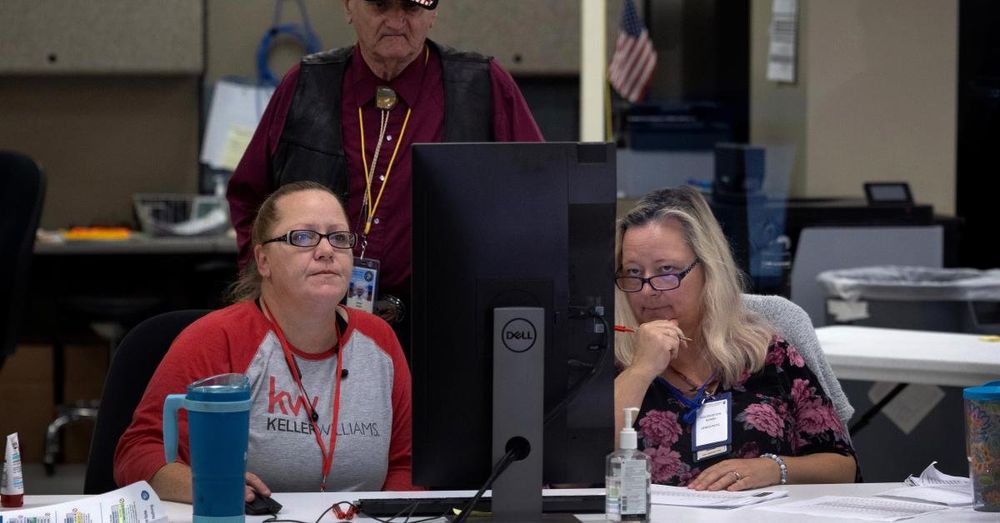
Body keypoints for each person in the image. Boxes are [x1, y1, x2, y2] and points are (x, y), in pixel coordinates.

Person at [227, 0, 544, 350]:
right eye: (380, 5)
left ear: (433, 13)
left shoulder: (482, 87)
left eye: (411, 7)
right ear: (349, 7)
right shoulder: (305, 85)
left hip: (449, 329)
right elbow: (251, 200)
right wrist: (267, 292)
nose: (396, 20)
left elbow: (538, 199)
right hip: (317, 323)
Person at [115, 181, 414, 501]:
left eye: (339, 238)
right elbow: (139, 452)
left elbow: (406, 465)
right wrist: (210, 485)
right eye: (303, 237)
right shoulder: (216, 339)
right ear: (263, 261)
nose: (327, 250)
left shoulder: (380, 341)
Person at [613, 186, 858, 491]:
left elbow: (843, 467)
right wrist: (640, 370)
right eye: (633, 273)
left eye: (666, 270)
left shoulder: (766, 351)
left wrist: (775, 468)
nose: (648, 289)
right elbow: (574, 467)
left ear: (708, 269)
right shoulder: (608, 357)